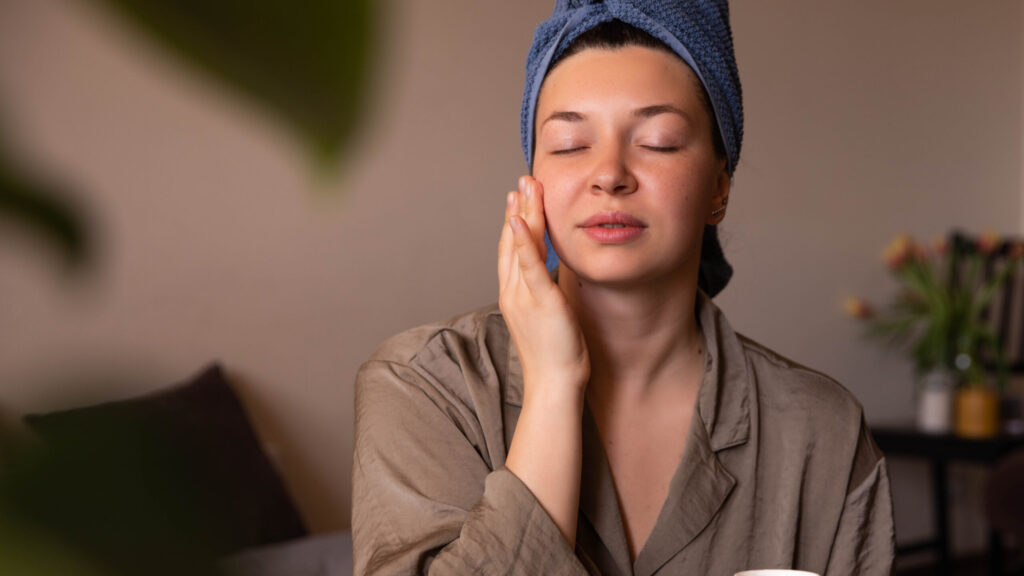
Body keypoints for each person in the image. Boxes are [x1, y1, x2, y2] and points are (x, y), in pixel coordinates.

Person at [352, 2, 895, 575]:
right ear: (533, 179)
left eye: (658, 141)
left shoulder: (823, 431)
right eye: (569, 145)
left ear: (719, 186)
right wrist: (554, 385)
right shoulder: (424, 386)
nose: (609, 174)